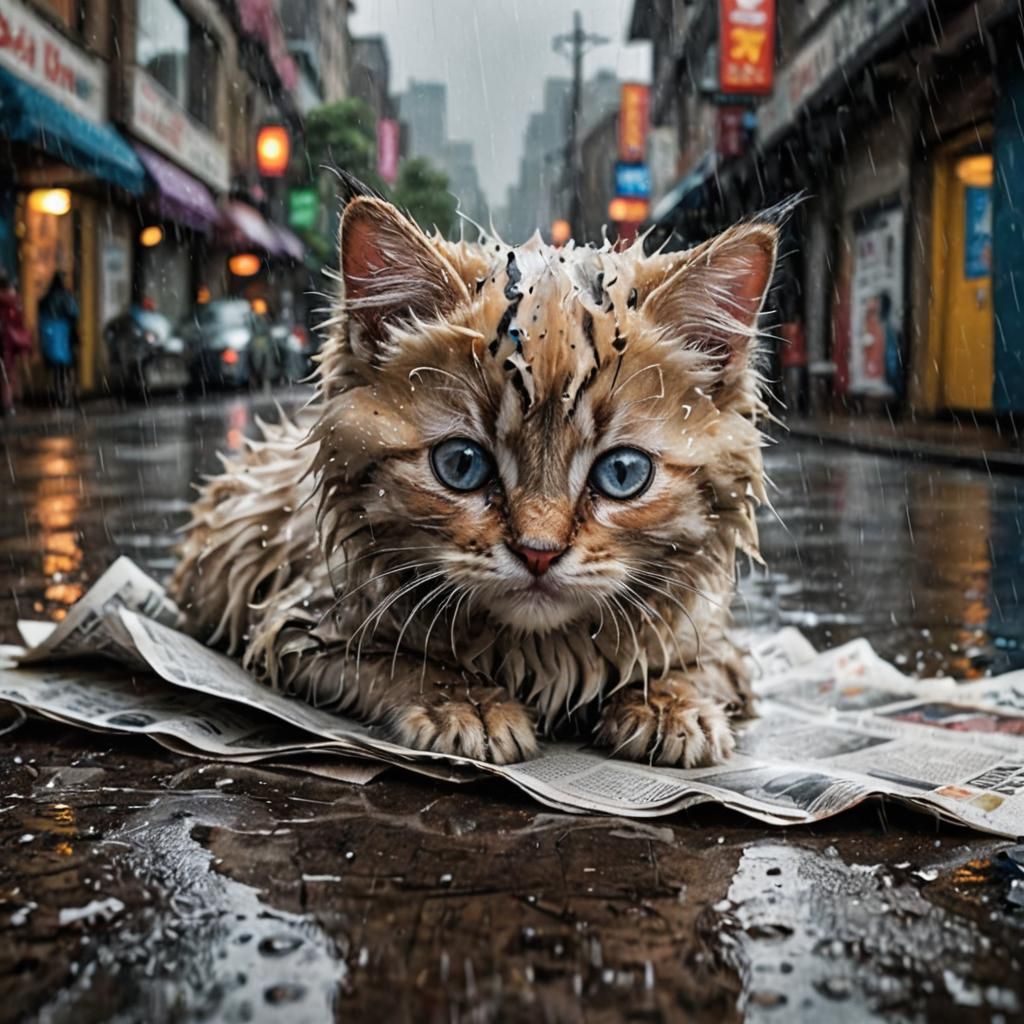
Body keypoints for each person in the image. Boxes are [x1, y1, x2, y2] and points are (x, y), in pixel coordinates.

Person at [38, 271, 79, 407]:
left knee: (57, 371)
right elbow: (73, 312)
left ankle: (58, 395)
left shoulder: (47, 298)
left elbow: (41, 310)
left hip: (51, 340)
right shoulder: (65, 296)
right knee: (66, 369)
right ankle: (67, 396)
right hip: (65, 337)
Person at [0, 269, 31, 415]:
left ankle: (7, 404)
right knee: (8, 374)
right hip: (7, 344)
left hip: (5, 342)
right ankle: (8, 404)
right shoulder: (14, 301)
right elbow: (19, 323)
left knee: (7, 374)